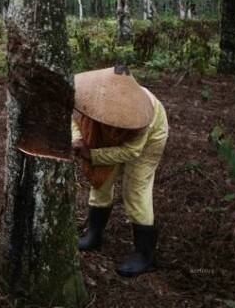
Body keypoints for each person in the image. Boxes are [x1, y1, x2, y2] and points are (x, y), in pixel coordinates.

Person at [71, 65, 169, 277]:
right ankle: (94, 235)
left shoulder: (143, 114)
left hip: (149, 141)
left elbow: (131, 152)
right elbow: (76, 120)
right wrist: (78, 140)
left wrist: (93, 155)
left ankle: (145, 254)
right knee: (101, 180)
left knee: (135, 190)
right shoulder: (93, 96)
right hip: (111, 136)